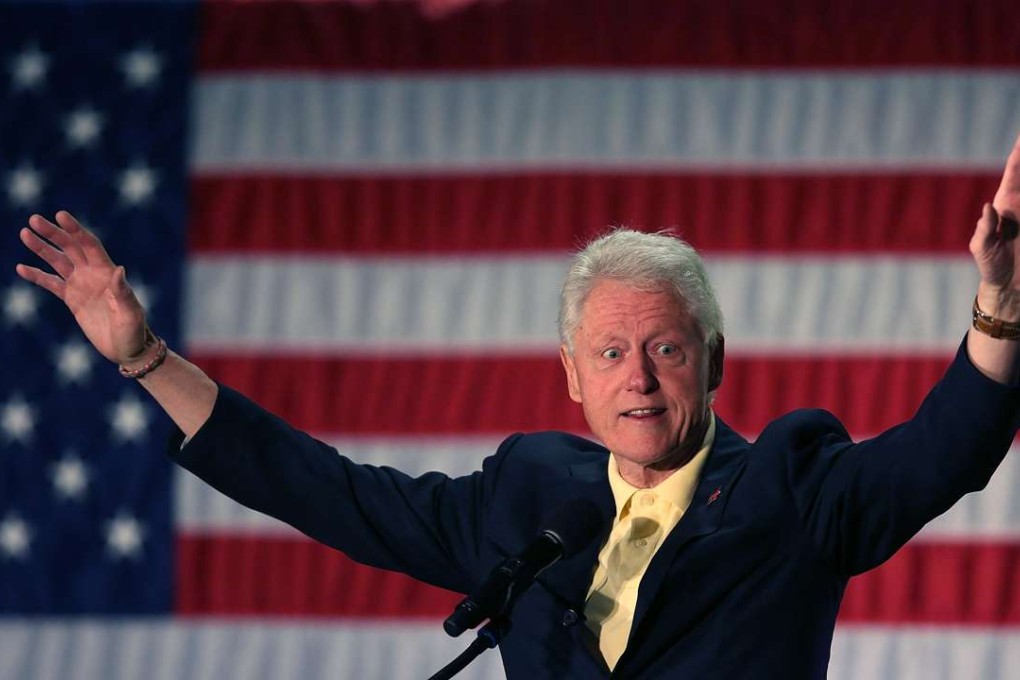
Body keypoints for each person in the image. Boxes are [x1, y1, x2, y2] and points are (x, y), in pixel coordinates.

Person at [15, 134, 1020, 679]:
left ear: (713, 362)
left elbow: (941, 453)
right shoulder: (529, 496)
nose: (638, 378)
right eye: (611, 353)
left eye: (666, 350)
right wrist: (145, 358)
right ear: (572, 375)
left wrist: (1002, 311)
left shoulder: (791, 486)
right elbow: (326, 490)